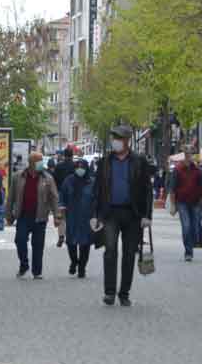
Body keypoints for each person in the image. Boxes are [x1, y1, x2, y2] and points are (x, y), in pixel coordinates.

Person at [91, 125, 152, 306]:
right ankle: (109, 292)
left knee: (129, 254)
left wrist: (147, 215)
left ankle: (124, 293)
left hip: (132, 214)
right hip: (110, 213)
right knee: (110, 251)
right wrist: (95, 214)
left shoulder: (139, 161)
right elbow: (97, 189)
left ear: (127, 140)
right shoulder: (105, 162)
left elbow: (147, 190)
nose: (114, 141)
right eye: (113, 138)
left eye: (118, 138)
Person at [6, 152, 58, 279]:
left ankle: (37, 271)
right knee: (20, 240)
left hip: (40, 216)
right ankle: (24, 264)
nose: (41, 164)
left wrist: (57, 215)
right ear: (31, 163)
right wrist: (8, 214)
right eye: (38, 161)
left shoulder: (48, 178)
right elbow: (11, 197)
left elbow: (54, 198)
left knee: (38, 244)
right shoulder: (18, 177)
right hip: (23, 215)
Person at [168, 145, 202, 261]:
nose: (190, 155)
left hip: (196, 202)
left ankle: (194, 243)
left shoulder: (197, 170)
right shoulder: (177, 169)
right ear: (184, 154)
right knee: (186, 226)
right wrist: (173, 205)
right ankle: (188, 251)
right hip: (182, 202)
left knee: (195, 226)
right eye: (188, 153)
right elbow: (172, 189)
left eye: (191, 154)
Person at [59, 159, 94, 278]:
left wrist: (97, 215)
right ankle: (74, 261)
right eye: (78, 167)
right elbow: (62, 194)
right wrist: (62, 205)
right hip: (72, 215)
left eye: (82, 168)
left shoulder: (91, 182)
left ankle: (82, 267)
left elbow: (96, 199)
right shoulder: (68, 180)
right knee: (71, 242)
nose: (80, 170)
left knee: (85, 244)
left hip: (87, 217)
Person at [53, 148, 75, 247]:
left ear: (63, 155)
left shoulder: (58, 166)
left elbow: (54, 180)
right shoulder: (75, 166)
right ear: (72, 155)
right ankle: (70, 236)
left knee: (61, 217)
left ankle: (61, 236)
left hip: (60, 193)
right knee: (72, 216)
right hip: (73, 194)